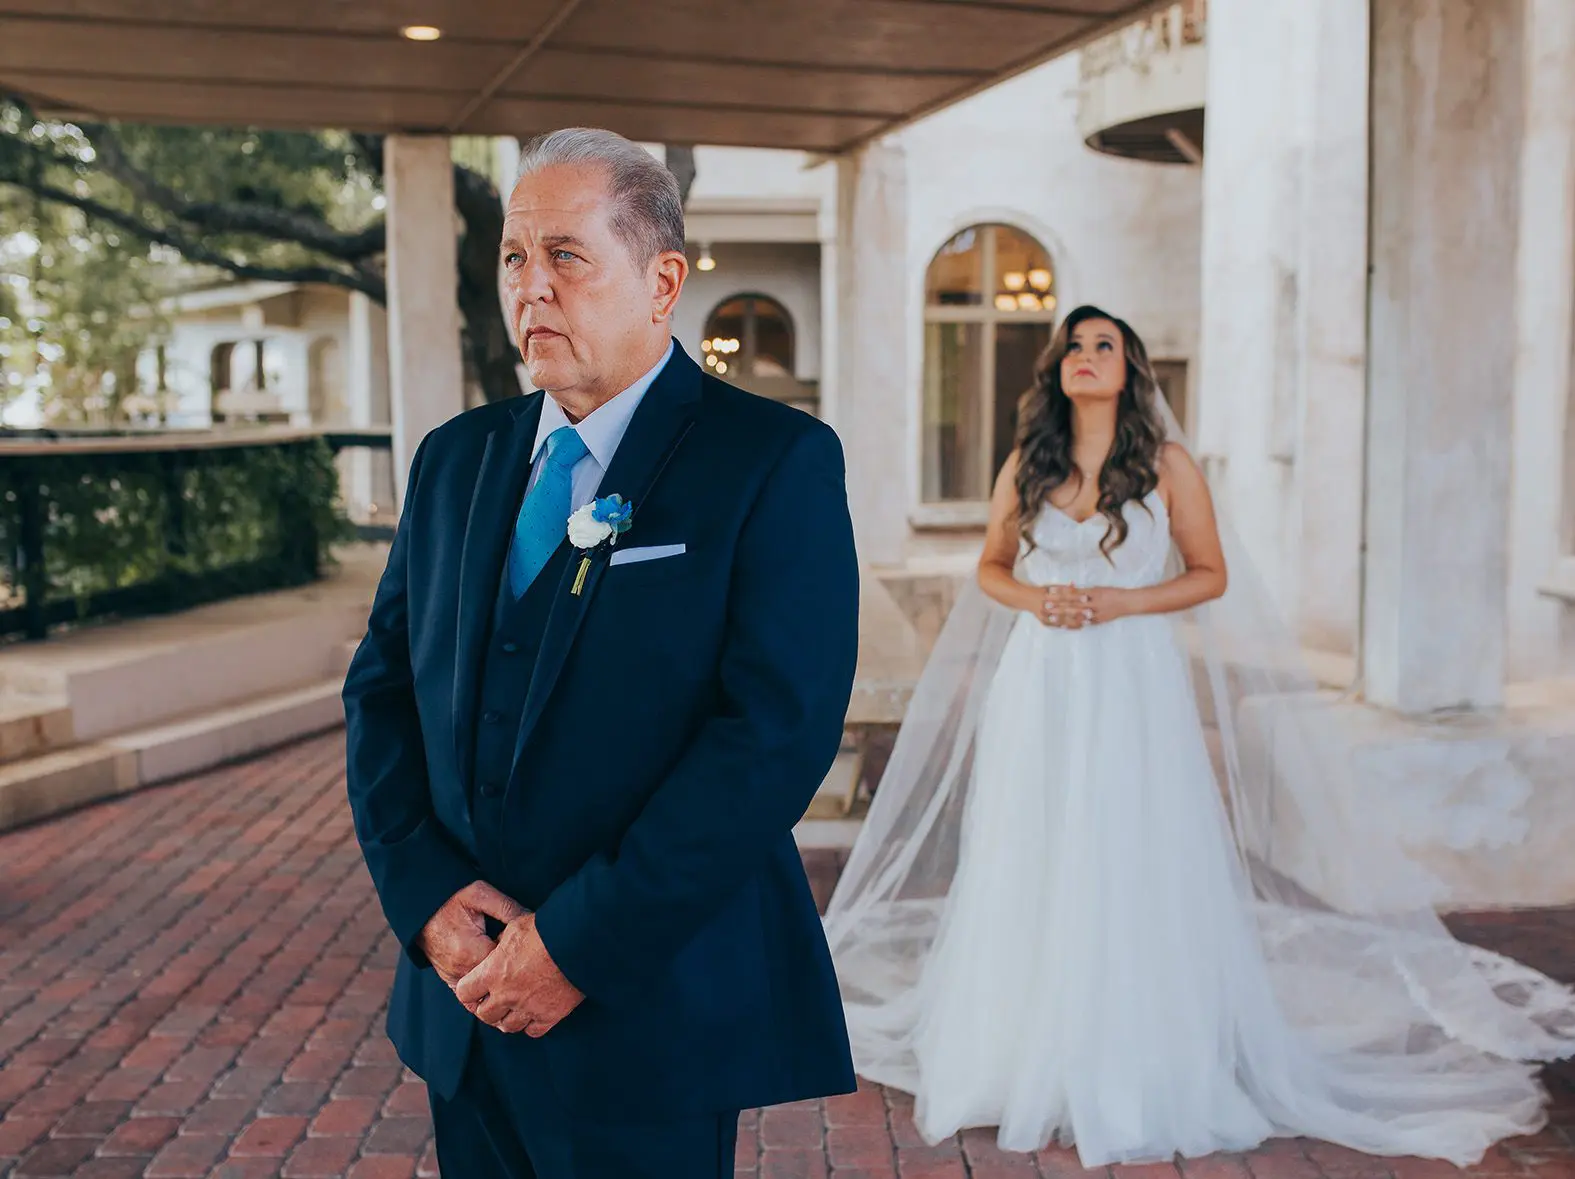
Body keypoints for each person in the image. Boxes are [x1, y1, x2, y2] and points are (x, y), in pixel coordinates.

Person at [824, 304, 1575, 1167]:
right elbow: (992, 565)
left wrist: (1119, 602)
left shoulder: (1167, 465)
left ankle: (1137, 1052)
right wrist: (1037, 599)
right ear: (1055, 369)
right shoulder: (1027, 464)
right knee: (1036, 846)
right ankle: (1021, 1044)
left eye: (1103, 345)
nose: (1084, 355)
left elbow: (1208, 573)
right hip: (1041, 684)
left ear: (1131, 370)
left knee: (1127, 850)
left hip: (1130, 680)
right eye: (1072, 344)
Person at [343, 127, 860, 1179]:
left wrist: (578, 944)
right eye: (513, 259)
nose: (532, 290)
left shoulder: (771, 463)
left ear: (662, 279)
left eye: (566, 257)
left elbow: (770, 739)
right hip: (466, 1002)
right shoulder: (454, 462)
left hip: (646, 1009)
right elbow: (383, 691)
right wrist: (425, 897)